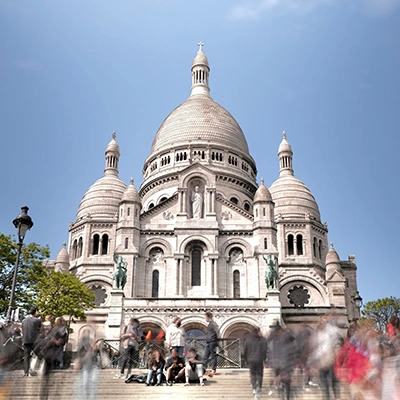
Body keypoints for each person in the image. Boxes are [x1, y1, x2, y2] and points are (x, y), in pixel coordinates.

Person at [242, 326, 268, 399]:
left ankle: (254, 387)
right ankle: (258, 386)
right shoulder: (262, 340)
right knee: (259, 374)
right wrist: (264, 359)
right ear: (258, 332)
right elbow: (265, 350)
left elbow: (244, 351)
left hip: (251, 360)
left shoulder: (248, 340)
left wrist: (246, 359)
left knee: (253, 374)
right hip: (259, 359)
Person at [21, 307, 42, 377]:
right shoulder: (37, 320)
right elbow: (41, 329)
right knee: (39, 354)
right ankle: (43, 368)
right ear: (35, 312)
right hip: (34, 340)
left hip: (26, 340)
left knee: (26, 357)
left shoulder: (24, 321)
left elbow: (22, 331)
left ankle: (26, 372)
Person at [204, 311, 220, 376]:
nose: (205, 319)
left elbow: (217, 332)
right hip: (208, 342)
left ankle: (214, 370)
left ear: (208, 317)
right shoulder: (210, 324)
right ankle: (203, 369)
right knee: (205, 356)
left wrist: (218, 341)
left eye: (205, 317)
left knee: (213, 356)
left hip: (212, 341)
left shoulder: (213, 324)